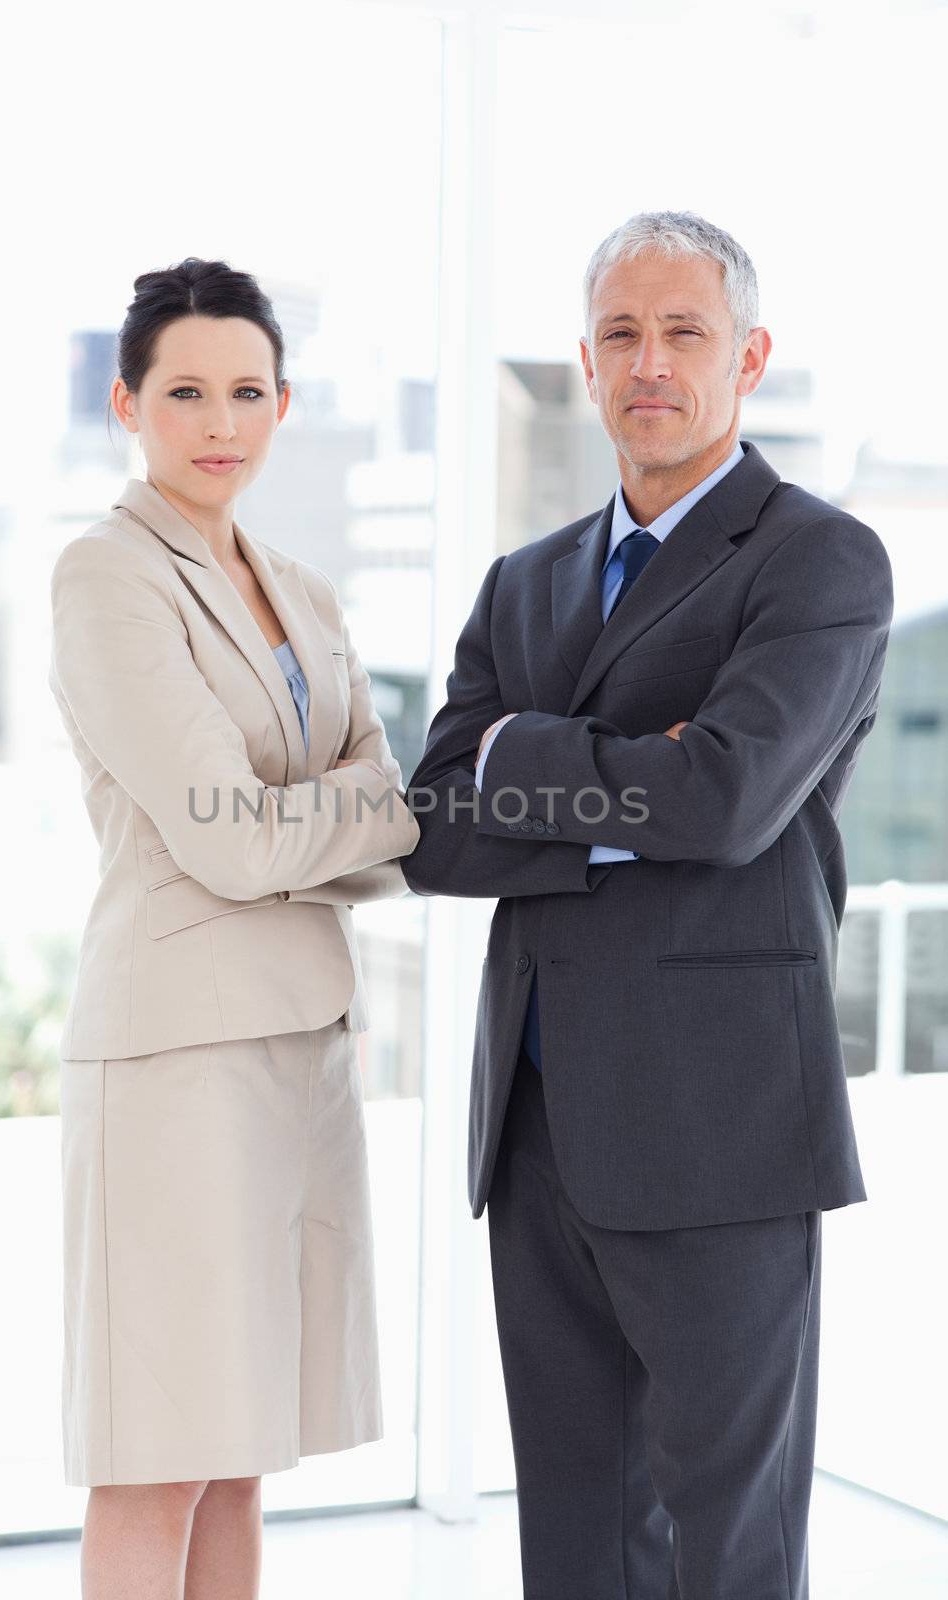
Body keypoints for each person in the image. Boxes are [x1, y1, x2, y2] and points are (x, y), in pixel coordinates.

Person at [402, 209, 893, 1598]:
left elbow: (731, 802)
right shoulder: (526, 581)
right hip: (540, 1122)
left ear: (750, 356)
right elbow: (434, 829)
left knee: (730, 1543)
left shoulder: (818, 562)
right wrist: (632, 791)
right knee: (574, 1530)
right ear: (586, 362)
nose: (652, 361)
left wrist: (525, 764)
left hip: (720, 1126)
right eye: (622, 333)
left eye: (686, 331)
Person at [48, 257, 420, 1600]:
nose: (220, 421)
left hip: (303, 1044)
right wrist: (356, 812)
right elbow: (230, 831)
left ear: (283, 406)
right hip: (177, 1059)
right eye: (187, 390)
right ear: (128, 404)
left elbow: (383, 787)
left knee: (245, 1446)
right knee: (159, 1454)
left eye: (247, 391)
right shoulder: (107, 577)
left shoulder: (300, 589)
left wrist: (340, 812)